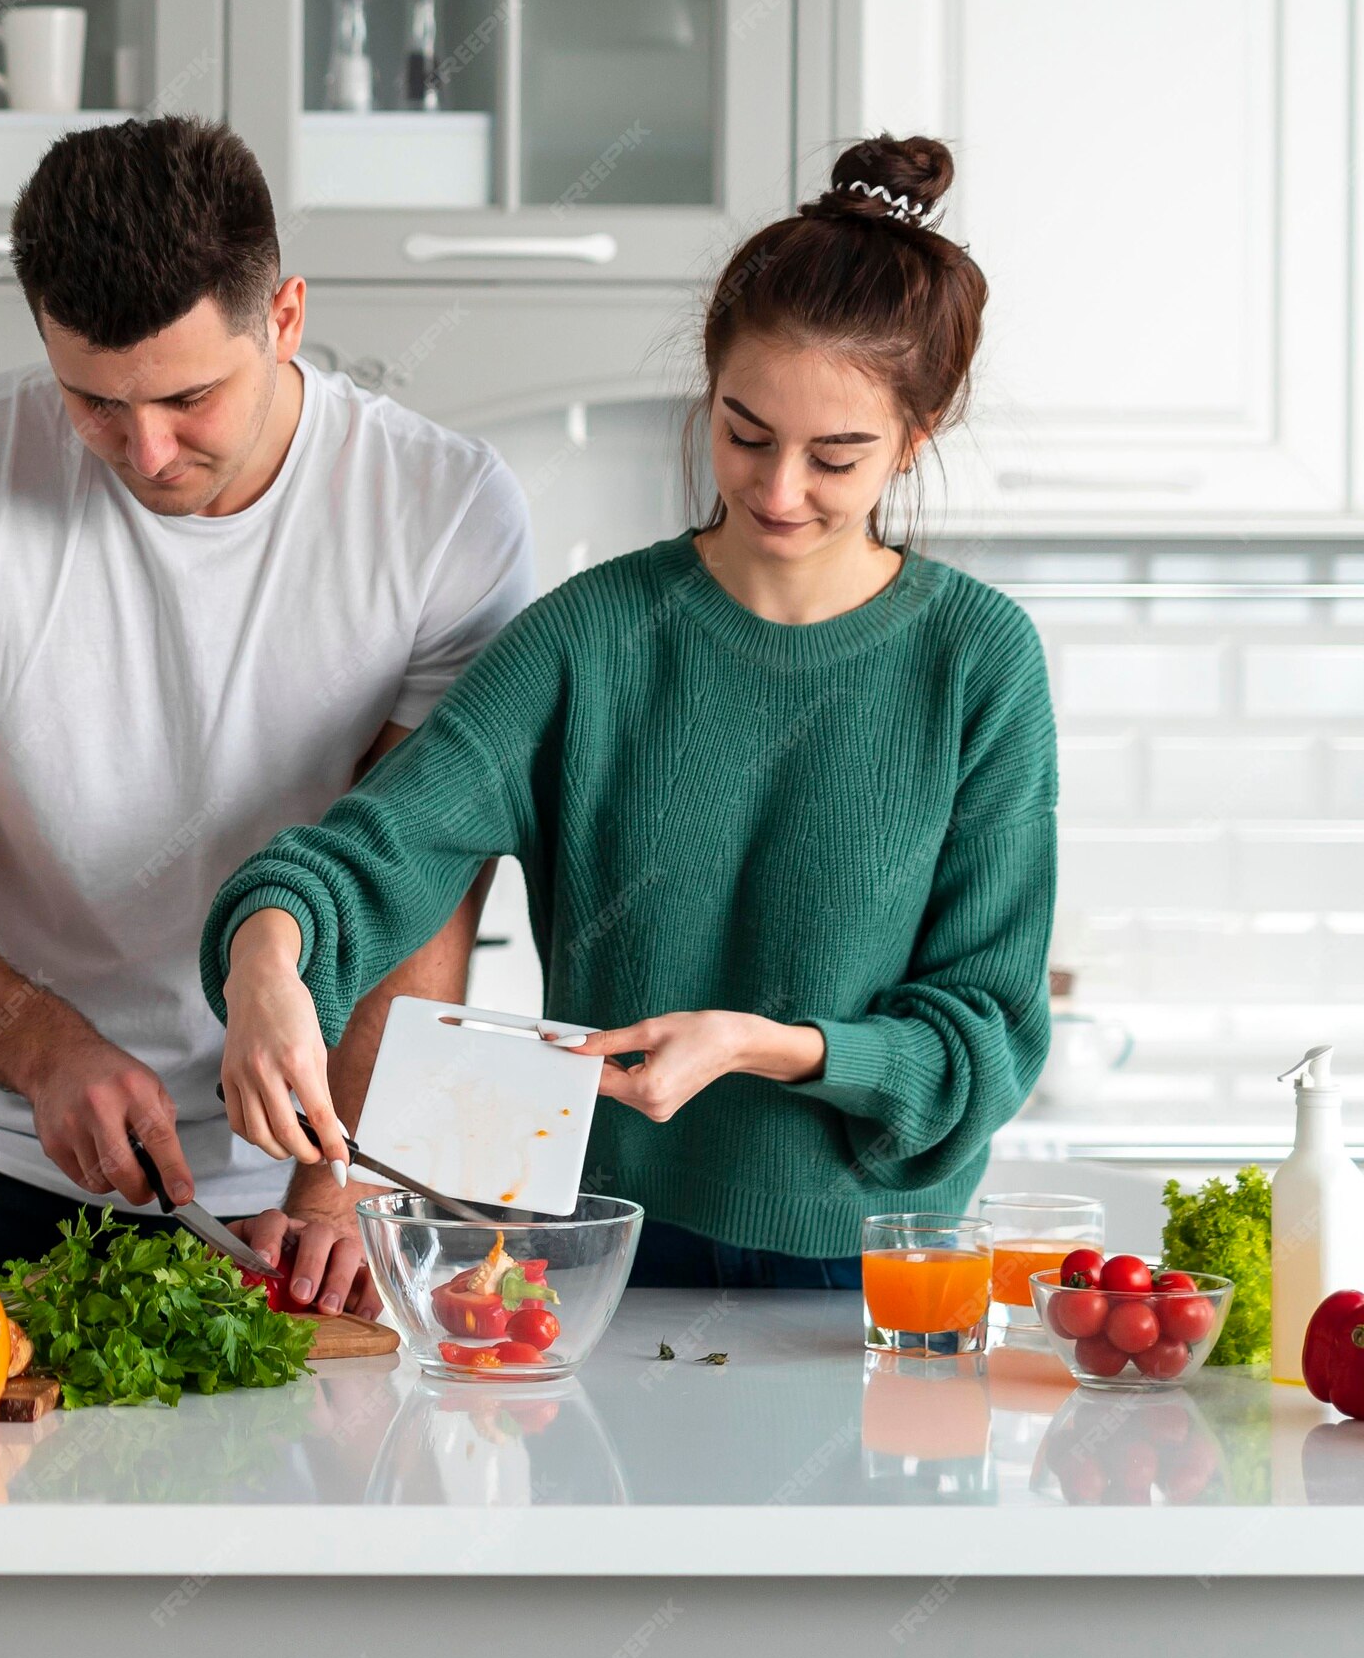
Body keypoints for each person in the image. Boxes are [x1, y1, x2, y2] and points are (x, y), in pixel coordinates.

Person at [202, 135, 1057, 1288]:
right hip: (607, 1253)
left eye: (835, 456)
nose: (775, 487)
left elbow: (983, 1034)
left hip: (880, 1277)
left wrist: (765, 1045)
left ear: (916, 436)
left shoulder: (975, 662)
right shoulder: (589, 637)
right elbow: (382, 846)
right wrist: (269, 942)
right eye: (743, 431)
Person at [0, 117, 534, 1311]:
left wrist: (342, 1181)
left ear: (282, 317)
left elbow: (424, 875)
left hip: (285, 1159)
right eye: (92, 401)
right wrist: (40, 1044)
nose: (144, 449)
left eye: (188, 397)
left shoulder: (440, 510)